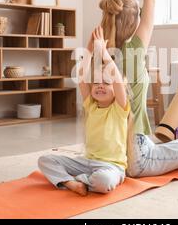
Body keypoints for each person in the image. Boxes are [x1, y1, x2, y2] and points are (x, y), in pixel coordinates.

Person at [38, 27, 130, 196]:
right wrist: (89, 49)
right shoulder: (91, 105)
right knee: (45, 160)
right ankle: (72, 183)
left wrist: (104, 53)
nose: (100, 85)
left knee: (104, 181)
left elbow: (117, 80)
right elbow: (81, 77)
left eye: (106, 82)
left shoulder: (119, 109)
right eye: (95, 82)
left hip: (111, 166)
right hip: (86, 161)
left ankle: (80, 180)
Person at [99, 0, 154, 136]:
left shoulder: (103, 45)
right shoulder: (135, 51)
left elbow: (121, 2)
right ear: (134, 22)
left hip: (112, 144)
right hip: (137, 148)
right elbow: (151, 1)